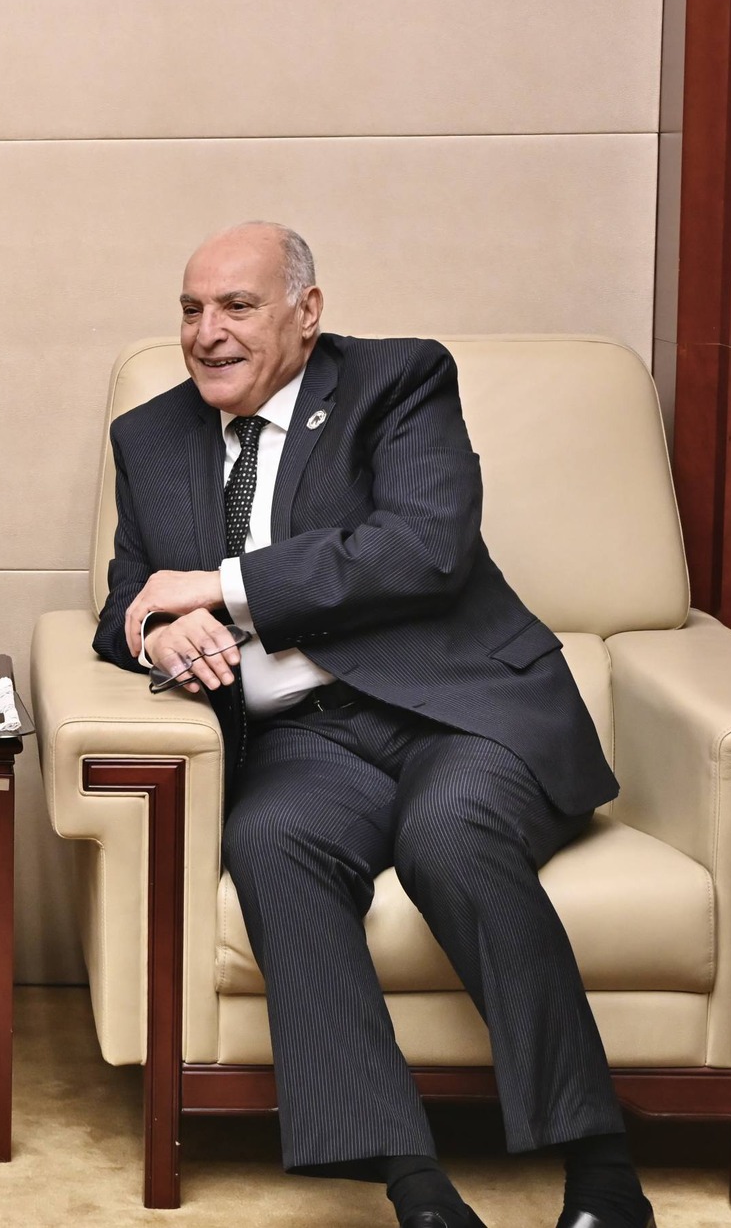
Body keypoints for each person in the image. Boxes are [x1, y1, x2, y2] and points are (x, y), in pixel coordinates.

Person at [93, 223, 653, 1228]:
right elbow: (125, 599)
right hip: (305, 741)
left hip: (459, 711)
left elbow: (425, 545)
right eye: (190, 309)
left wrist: (219, 585)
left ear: (306, 312)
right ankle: (415, 1189)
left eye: (237, 306)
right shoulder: (151, 436)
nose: (207, 333)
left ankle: (602, 1171)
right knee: (269, 838)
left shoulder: (396, 382)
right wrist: (156, 631)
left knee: (449, 834)